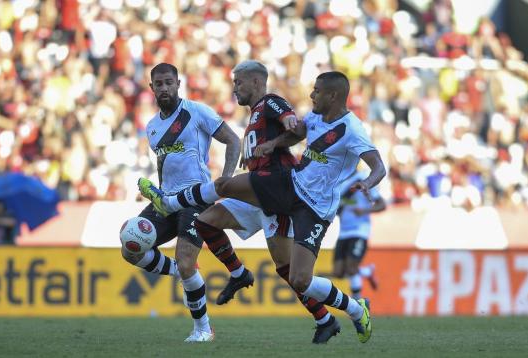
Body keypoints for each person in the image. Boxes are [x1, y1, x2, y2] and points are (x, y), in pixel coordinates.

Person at [139, 71, 386, 343]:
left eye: (317, 91)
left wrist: (367, 184)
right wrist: (273, 143)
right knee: (208, 217)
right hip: (288, 190)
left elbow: (378, 166)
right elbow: (298, 132)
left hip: (311, 205)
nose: (311, 95)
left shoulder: (337, 123)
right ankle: (239, 273)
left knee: (297, 276)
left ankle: (350, 309)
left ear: (333, 95)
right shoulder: (312, 117)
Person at [170, 60, 339, 343]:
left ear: (257, 83)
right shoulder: (254, 117)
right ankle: (239, 273)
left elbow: (293, 125)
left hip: (276, 194)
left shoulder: (270, 102)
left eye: (239, 82)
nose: (235, 88)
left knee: (287, 270)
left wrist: (286, 128)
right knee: (205, 222)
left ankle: (326, 319)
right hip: (255, 193)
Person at [121, 63, 240, 342]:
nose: (164, 88)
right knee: (130, 249)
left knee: (187, 262)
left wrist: (224, 182)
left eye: (168, 83)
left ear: (178, 83)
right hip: (166, 201)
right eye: (158, 84)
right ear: (151, 88)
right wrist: (159, 194)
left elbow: (233, 141)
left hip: (195, 198)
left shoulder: (196, 112)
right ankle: (180, 271)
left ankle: (203, 329)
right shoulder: (151, 128)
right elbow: (165, 165)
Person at [333, 171, 386, 300]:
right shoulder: (337, 181)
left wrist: (364, 210)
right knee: (338, 272)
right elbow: (338, 207)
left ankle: (357, 302)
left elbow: (382, 205)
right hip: (343, 232)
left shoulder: (363, 179)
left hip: (359, 231)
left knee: (351, 267)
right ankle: (367, 272)